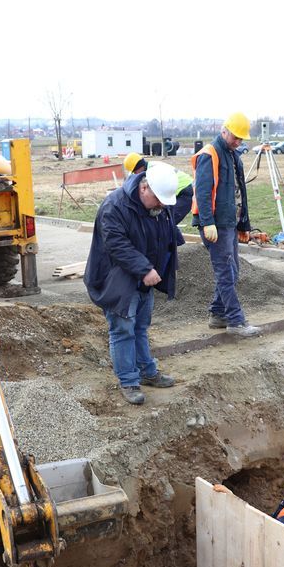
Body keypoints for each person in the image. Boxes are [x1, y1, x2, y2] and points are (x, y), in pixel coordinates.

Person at [84, 161, 183, 405]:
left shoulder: (157, 205)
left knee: (140, 327)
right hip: (117, 279)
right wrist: (145, 269)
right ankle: (129, 380)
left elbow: (163, 233)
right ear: (144, 188)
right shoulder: (114, 207)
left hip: (143, 279)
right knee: (122, 329)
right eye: (158, 199)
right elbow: (117, 245)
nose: (161, 205)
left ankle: (147, 372)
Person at [191, 113, 261, 338]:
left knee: (232, 270)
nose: (238, 141)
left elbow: (240, 192)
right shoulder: (209, 155)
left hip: (230, 223)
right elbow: (202, 191)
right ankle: (236, 321)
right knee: (225, 271)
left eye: (242, 139)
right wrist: (207, 222)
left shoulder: (233, 156)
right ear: (224, 131)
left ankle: (218, 314)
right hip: (215, 225)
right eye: (236, 137)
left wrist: (244, 224)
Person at [123, 152, 194, 225]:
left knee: (168, 221)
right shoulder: (151, 166)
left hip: (184, 189)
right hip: (180, 188)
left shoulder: (153, 171)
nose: (135, 174)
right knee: (163, 220)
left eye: (135, 172)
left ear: (138, 167)